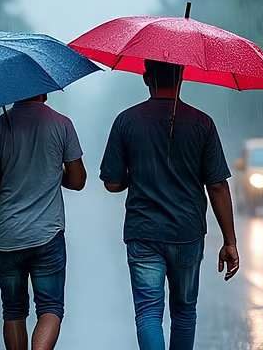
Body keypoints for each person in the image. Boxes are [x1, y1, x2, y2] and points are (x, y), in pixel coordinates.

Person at [100, 60, 240, 350]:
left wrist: (136, 172)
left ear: (145, 78)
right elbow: (216, 185)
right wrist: (229, 241)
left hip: (143, 233)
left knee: (149, 312)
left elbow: (112, 183)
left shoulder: (126, 121)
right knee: (184, 310)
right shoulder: (202, 123)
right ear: (183, 77)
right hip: (187, 234)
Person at [0, 93, 86, 350]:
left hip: (7, 238)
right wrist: (54, 173)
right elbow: (78, 180)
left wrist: (7, 166)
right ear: (44, 90)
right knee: (50, 308)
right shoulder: (62, 124)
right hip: (47, 236)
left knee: (13, 311)